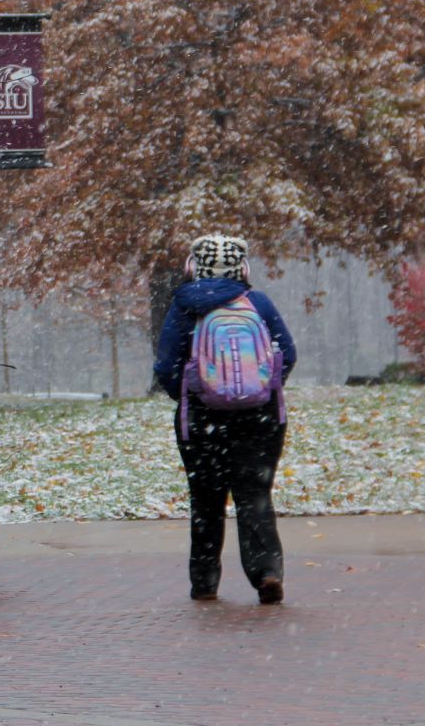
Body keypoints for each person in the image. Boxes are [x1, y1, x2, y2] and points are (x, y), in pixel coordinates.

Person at [153, 232, 297, 605]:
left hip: (202, 418)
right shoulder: (258, 303)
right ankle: (266, 571)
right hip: (260, 418)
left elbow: (167, 365)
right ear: (243, 268)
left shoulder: (185, 306)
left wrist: (192, 392)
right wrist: (260, 388)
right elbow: (288, 353)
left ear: (193, 267)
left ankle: (204, 582)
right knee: (254, 495)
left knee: (206, 498)